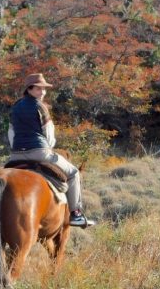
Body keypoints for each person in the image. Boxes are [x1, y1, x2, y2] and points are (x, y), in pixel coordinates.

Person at [8, 73, 97, 228]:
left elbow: (11, 133)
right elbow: (48, 135)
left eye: (44, 89)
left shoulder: (15, 107)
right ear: (29, 89)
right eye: (38, 89)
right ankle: (76, 214)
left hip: (15, 155)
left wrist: (17, 148)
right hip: (40, 153)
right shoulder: (40, 106)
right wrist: (48, 147)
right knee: (74, 173)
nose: (42, 92)